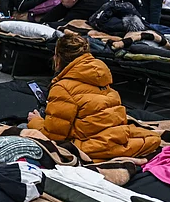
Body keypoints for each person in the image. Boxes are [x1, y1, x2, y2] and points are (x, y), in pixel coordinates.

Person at [26, 32, 161, 160]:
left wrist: (35, 121)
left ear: (59, 58)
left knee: (25, 132)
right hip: (118, 136)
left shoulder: (63, 88)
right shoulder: (101, 76)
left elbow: (54, 135)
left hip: (92, 146)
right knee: (152, 138)